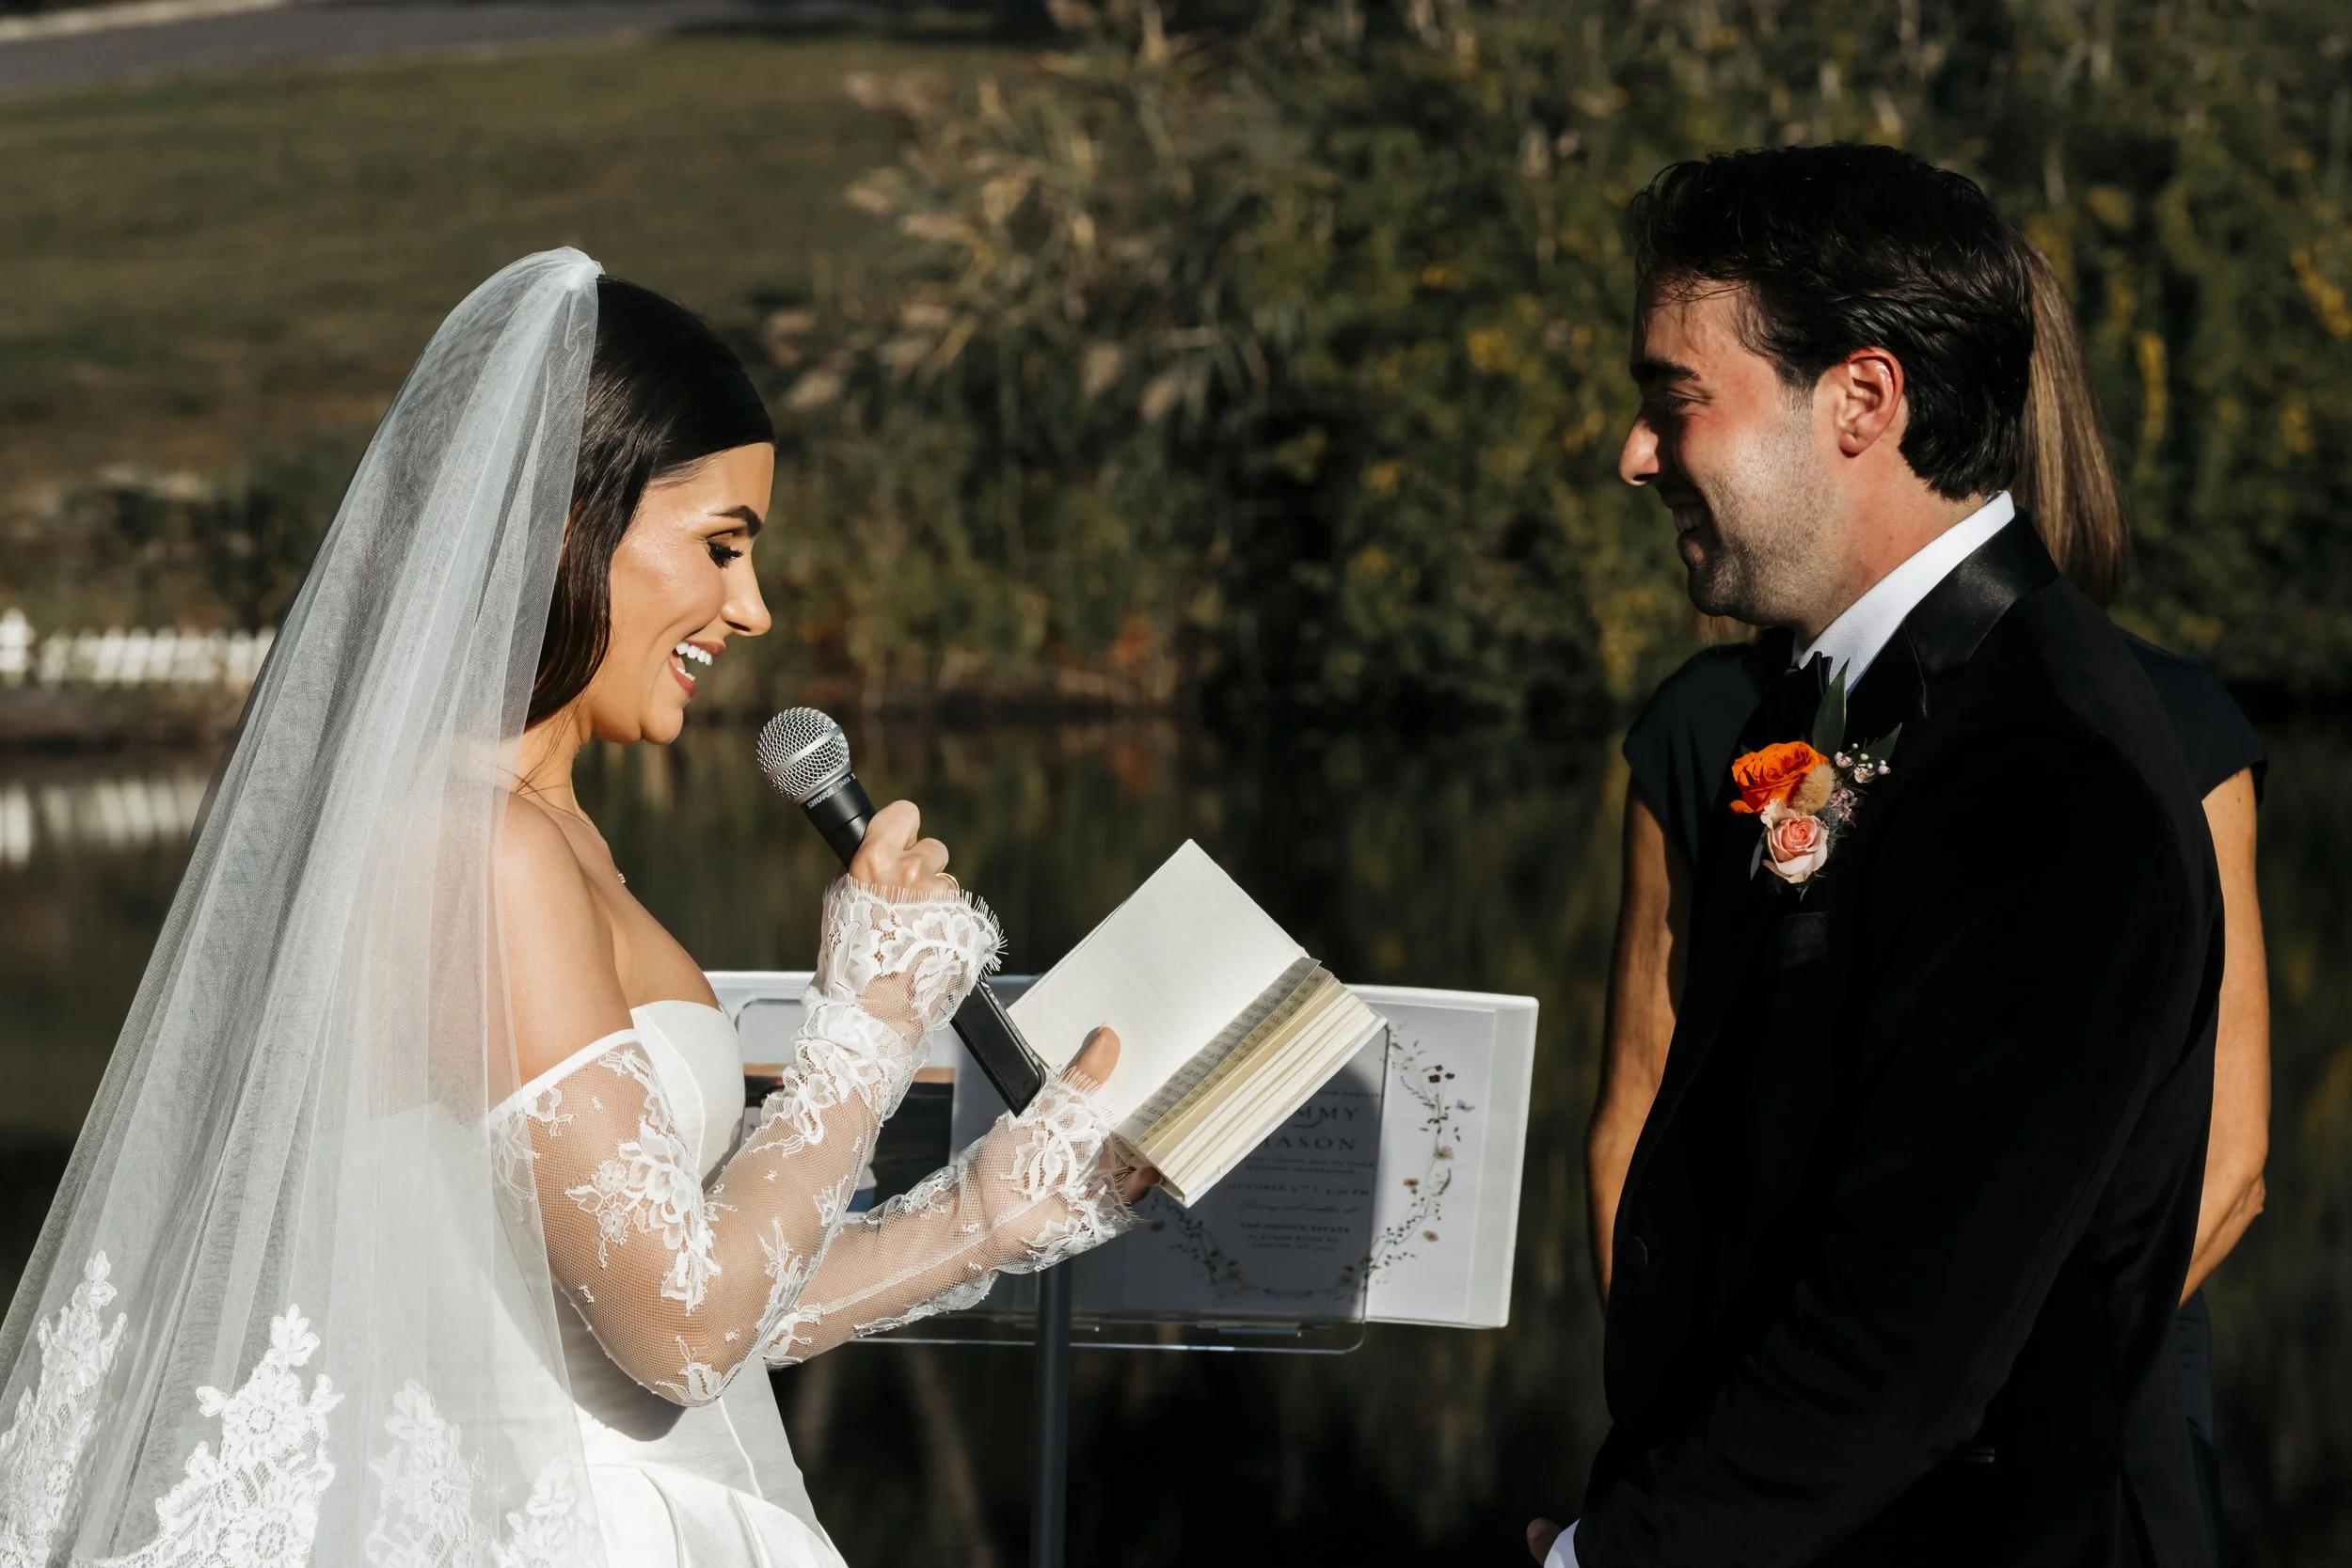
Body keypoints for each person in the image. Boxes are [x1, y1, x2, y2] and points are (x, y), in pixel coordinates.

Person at [0, 251, 1150, 1567]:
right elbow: (679, 1328)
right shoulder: (475, 848)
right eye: (722, 547)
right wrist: (866, 1025)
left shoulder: (550, 836)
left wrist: (994, 1212)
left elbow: (679, 1300)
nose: (753, 607)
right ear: (566, 520)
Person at [1529, 147, 2223, 1566]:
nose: (1635, 452)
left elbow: (1905, 1343)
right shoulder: (1832, 706)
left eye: (1678, 400)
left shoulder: (2048, 768)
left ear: (1861, 399)